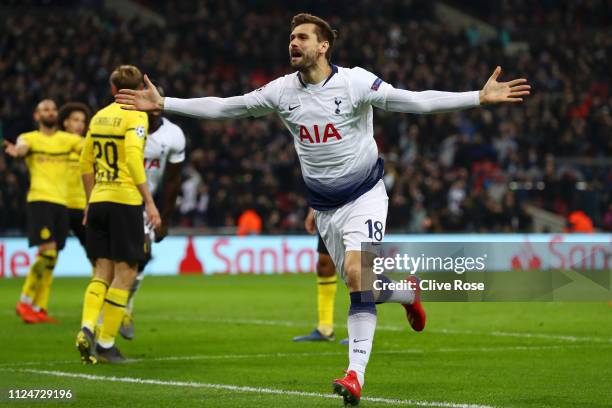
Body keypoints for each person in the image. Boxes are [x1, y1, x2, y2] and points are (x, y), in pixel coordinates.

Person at [115, 13, 530, 405]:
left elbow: (413, 100)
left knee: (354, 273)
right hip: (326, 209)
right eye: (291, 37)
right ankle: (405, 291)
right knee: (360, 281)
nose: (293, 43)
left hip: (366, 194)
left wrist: (477, 96)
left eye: (302, 37)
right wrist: (165, 103)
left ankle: (355, 375)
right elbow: (229, 107)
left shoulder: (354, 84)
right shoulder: (282, 91)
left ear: (324, 45)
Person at [76, 65, 161, 364]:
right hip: (124, 201)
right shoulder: (136, 116)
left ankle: (87, 325)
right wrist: (149, 202)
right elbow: (134, 160)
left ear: (113, 89)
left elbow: (85, 163)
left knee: (102, 271)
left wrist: (89, 202)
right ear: (140, 89)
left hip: (98, 201)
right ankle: (107, 343)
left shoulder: (98, 116)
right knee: (125, 274)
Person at [4, 99, 83, 324]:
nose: (50, 112)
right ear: (37, 116)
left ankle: (39, 308)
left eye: (53, 109)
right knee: (47, 253)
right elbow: (21, 148)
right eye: (45, 109)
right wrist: (16, 151)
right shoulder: (30, 138)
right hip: (40, 200)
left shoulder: (68, 140)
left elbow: (86, 147)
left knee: (52, 258)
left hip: (62, 204)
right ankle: (24, 300)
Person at [119, 87, 186, 341]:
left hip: (145, 205)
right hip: (116, 196)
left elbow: (172, 180)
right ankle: (101, 317)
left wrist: (165, 219)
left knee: (142, 255)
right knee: (111, 263)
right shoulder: (124, 125)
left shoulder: (174, 135)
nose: (155, 105)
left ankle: (125, 307)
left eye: (159, 100)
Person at [293, 208, 343, 343]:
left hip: (356, 208)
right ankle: (325, 328)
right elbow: (319, 185)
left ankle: (362, 333)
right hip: (328, 211)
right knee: (324, 265)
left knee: (355, 267)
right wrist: (313, 210)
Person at [58, 102, 92, 253]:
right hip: (59, 206)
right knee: (50, 253)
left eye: (82, 121)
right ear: (65, 122)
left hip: (83, 208)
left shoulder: (89, 146)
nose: (80, 124)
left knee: (95, 253)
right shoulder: (55, 145)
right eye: (75, 120)